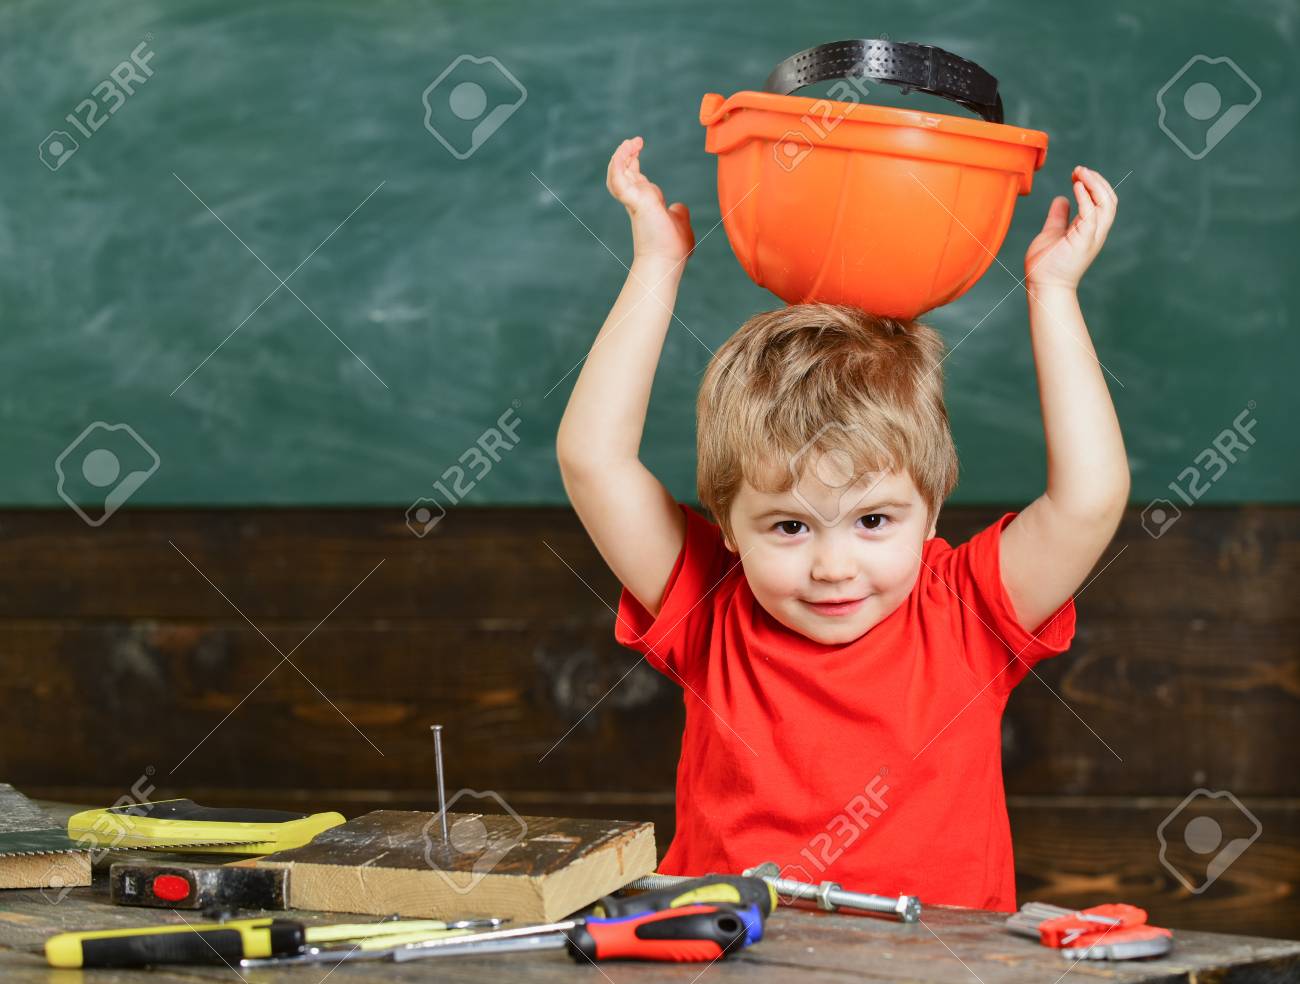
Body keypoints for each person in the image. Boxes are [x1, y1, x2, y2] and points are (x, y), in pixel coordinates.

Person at [555, 135, 1125, 911]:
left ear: (932, 511)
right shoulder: (710, 609)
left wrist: (1053, 292)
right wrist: (658, 263)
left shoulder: (968, 614)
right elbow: (593, 459)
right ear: (727, 524)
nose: (833, 567)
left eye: (873, 521)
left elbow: (1089, 499)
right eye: (789, 528)